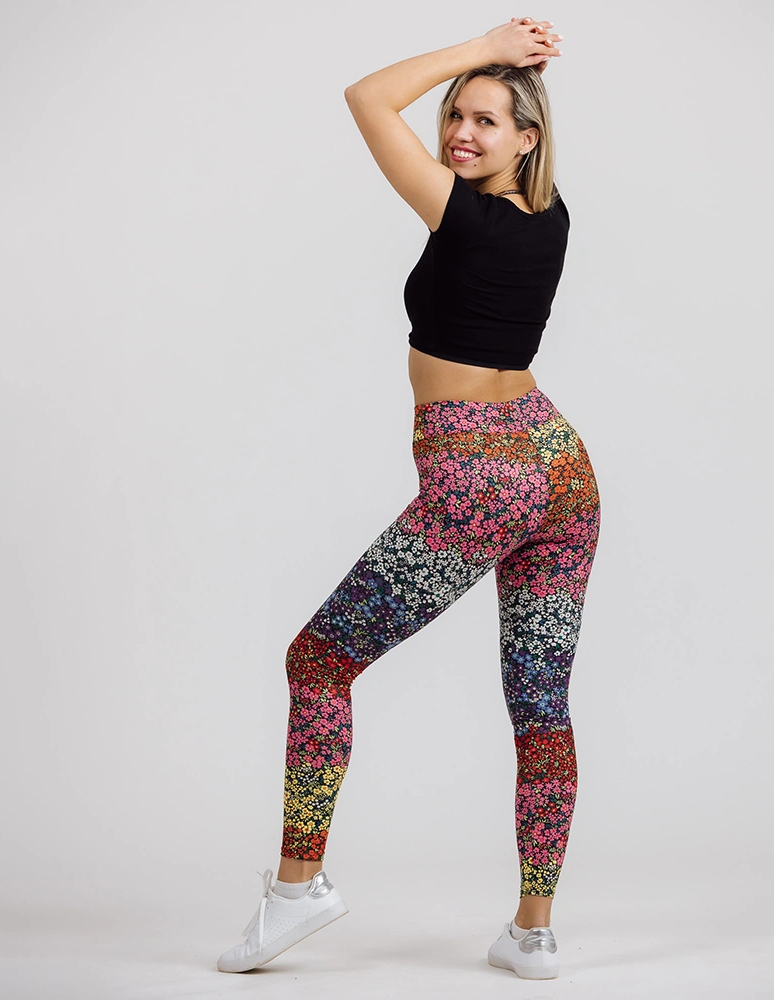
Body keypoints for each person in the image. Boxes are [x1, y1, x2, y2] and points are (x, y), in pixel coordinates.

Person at [217, 16, 599, 982]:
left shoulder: (463, 215)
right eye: (455, 116)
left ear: (527, 138)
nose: (460, 133)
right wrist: (497, 71)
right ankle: (533, 933)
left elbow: (365, 97)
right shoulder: (550, 215)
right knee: (540, 704)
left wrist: (480, 45)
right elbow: (429, 125)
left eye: (485, 120)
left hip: (483, 476)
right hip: (560, 468)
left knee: (317, 662)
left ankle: (297, 890)